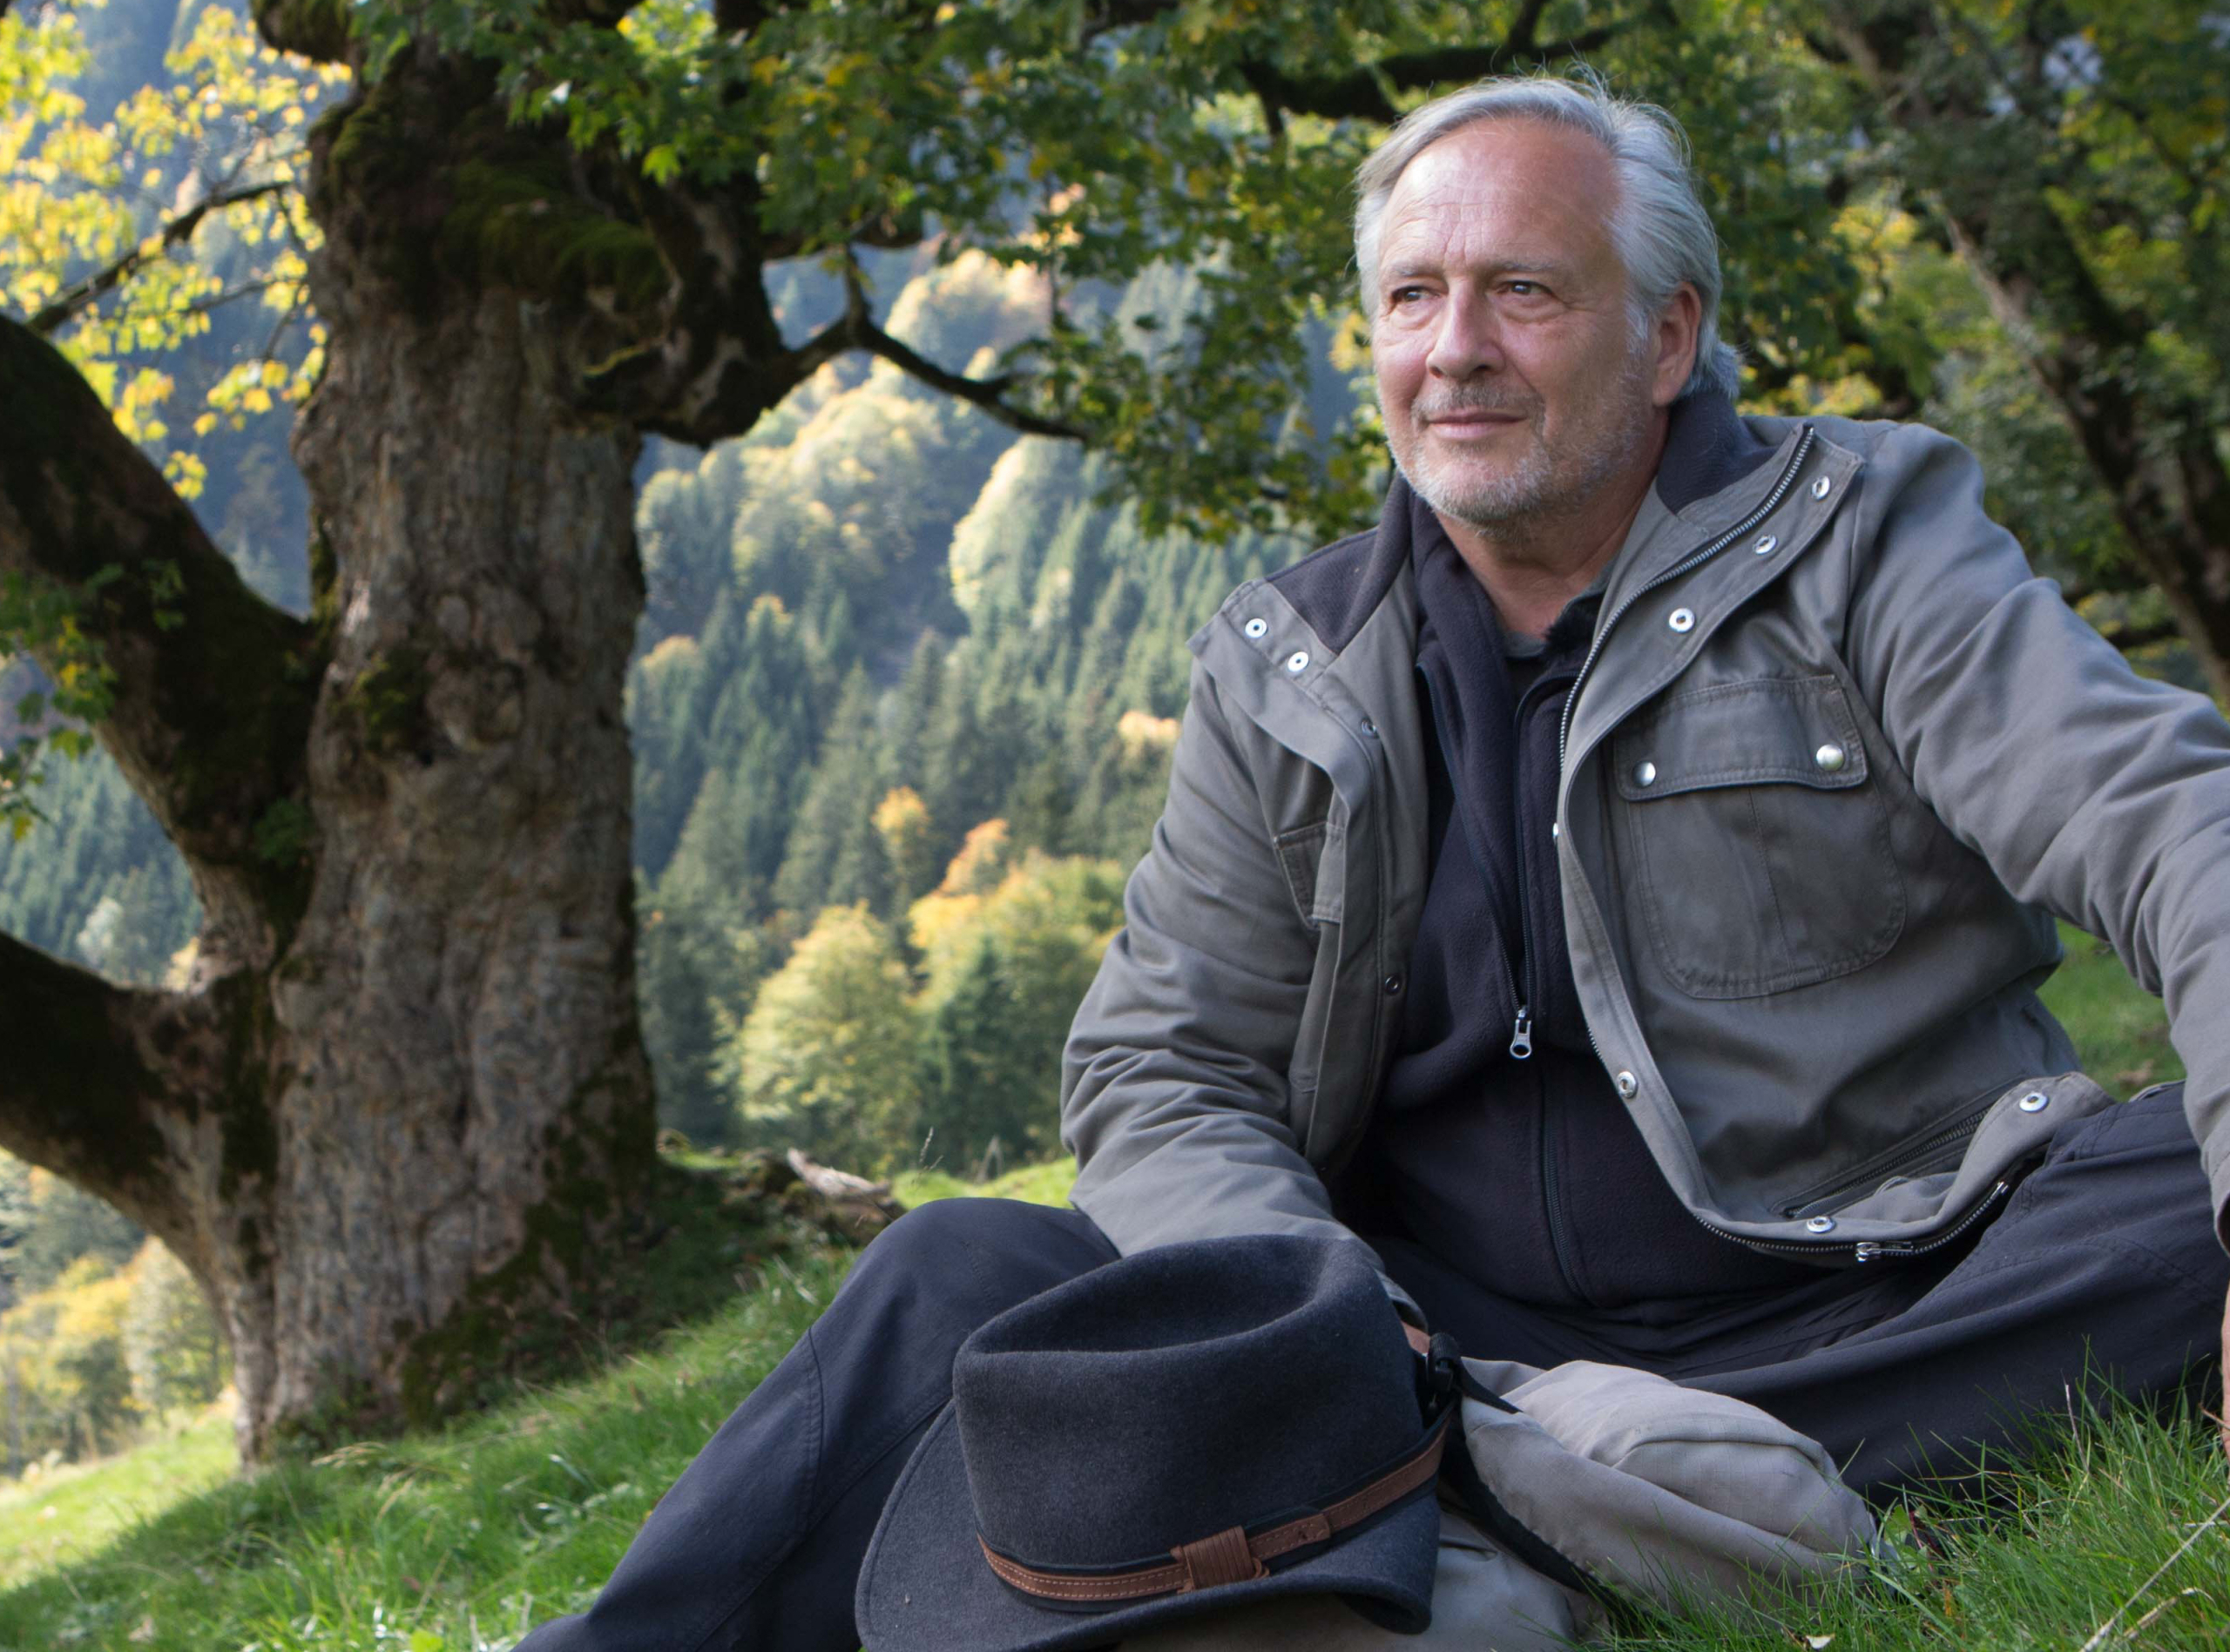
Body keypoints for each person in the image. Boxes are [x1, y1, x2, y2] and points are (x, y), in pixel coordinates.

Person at [514, 72, 2230, 1652]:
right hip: (1407, 1329)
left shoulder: (1867, 543)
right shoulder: (1291, 662)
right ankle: (1552, 1483)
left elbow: (2173, 826)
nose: (1454, 350)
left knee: (2173, 1209)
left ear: (1664, 337)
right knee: (960, 1273)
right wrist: (1320, 1305)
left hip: (1879, 1293)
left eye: (1525, 292)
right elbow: (1161, 1063)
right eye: (1411, 298)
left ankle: (1445, 1510)